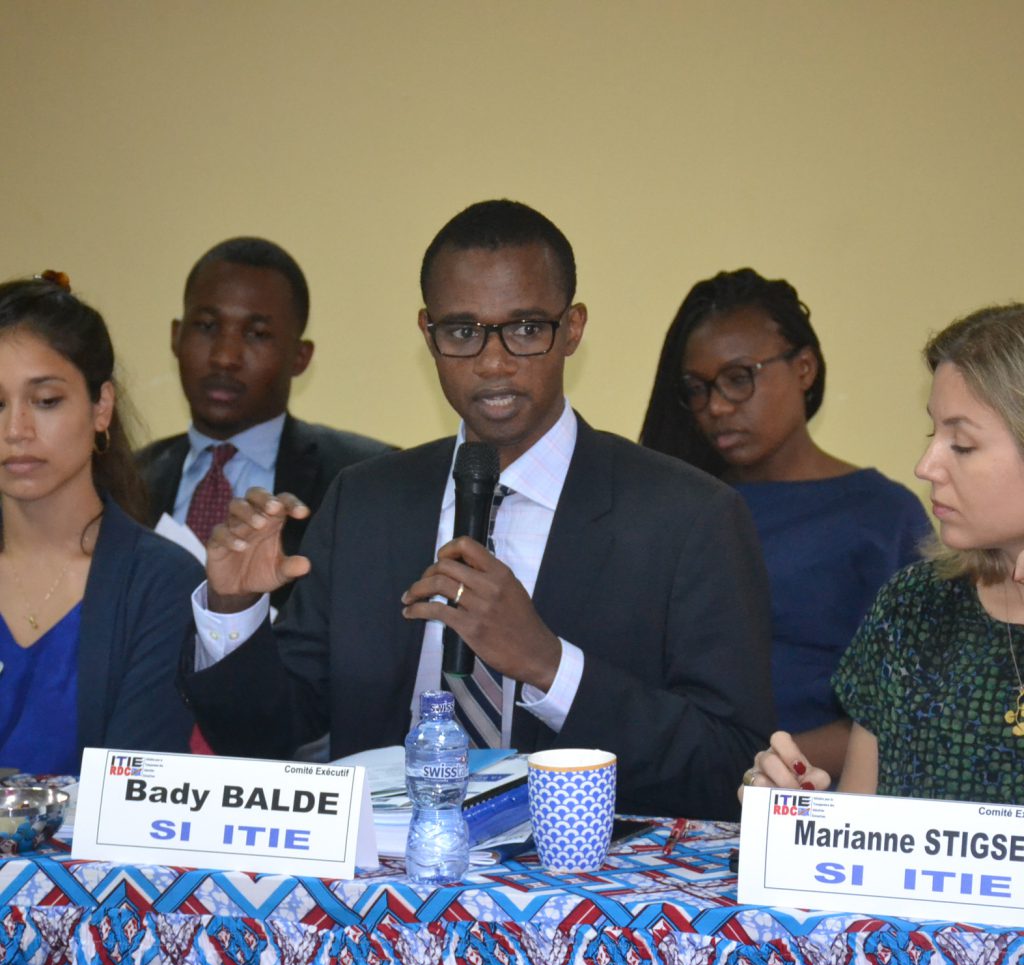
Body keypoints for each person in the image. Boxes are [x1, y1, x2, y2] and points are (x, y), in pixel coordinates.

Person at [180, 200, 775, 820]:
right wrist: (234, 610)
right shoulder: (365, 502)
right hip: (386, 871)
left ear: (572, 329)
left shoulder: (689, 517)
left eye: (526, 329)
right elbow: (269, 737)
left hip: (586, 873)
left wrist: (548, 665)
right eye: (463, 332)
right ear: (428, 334)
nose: (493, 363)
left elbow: (730, 765)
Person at [640, 268, 930, 778]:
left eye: (738, 377)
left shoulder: (882, 516)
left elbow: (913, 705)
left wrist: (765, 763)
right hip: (673, 782)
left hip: (816, 793)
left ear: (804, 368)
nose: (716, 406)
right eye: (697, 388)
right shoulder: (678, 505)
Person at [742, 302, 1024, 802]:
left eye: (962, 444)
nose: (925, 466)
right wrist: (794, 813)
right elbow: (863, 828)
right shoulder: (911, 607)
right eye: (933, 434)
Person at [0, 273, 203, 773]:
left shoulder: (161, 581)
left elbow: (134, 783)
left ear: (101, 407)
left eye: (46, 401)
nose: (15, 430)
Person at [136, 236, 392, 608]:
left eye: (257, 334)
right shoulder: (126, 480)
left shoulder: (364, 480)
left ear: (300, 357)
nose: (225, 357)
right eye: (206, 326)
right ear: (176, 337)